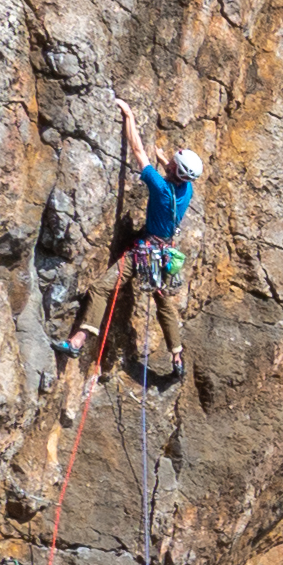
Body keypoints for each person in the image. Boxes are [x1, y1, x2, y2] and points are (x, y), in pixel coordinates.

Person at [58, 96, 199, 379]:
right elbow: (174, 176)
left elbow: (137, 150)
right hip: (163, 256)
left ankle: (77, 342)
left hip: (142, 254)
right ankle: (177, 356)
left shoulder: (160, 188)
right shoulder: (187, 191)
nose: (170, 160)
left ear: (174, 170)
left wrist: (129, 116)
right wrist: (165, 161)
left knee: (100, 288)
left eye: (173, 161)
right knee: (163, 302)